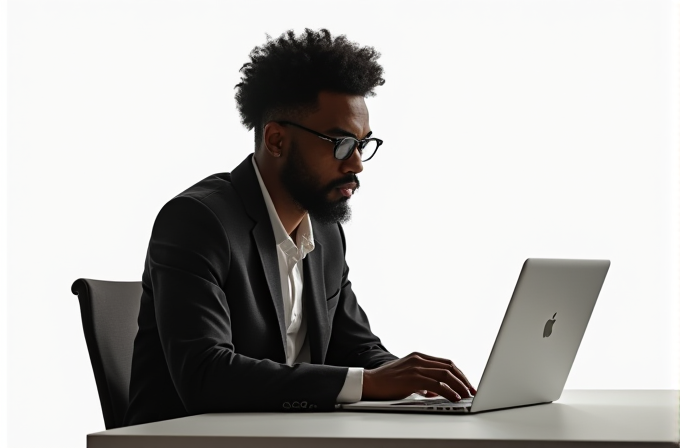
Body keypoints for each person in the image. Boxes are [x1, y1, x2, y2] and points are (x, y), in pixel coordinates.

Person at [124, 28, 475, 426]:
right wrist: (369, 383)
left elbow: (357, 350)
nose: (357, 164)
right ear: (276, 140)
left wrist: (418, 385)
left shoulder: (324, 232)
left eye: (363, 144)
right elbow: (206, 375)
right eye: (341, 144)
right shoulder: (198, 222)